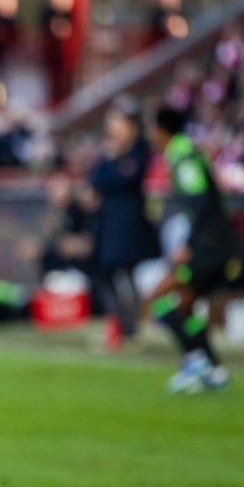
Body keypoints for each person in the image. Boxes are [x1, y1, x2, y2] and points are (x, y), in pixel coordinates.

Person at [146, 107, 239, 394]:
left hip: (209, 246)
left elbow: (200, 201)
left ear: (162, 130)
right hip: (219, 244)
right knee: (187, 305)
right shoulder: (186, 152)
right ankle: (213, 368)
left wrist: (189, 244)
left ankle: (195, 361)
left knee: (160, 298)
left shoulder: (182, 156)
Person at [87, 99, 159, 349]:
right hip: (109, 223)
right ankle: (117, 326)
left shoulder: (137, 152)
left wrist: (112, 166)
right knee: (106, 273)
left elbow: (120, 179)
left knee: (125, 274)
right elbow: (97, 178)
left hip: (128, 223)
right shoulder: (110, 153)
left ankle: (130, 329)